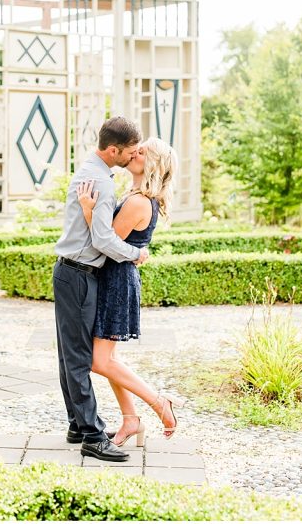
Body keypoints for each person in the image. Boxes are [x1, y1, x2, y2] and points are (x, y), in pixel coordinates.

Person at [76, 136, 185, 446]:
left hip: (117, 282)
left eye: (142, 152)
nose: (135, 153)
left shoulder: (138, 201)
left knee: (100, 360)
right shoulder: (137, 195)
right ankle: (131, 419)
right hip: (117, 278)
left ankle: (158, 403)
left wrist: (87, 209)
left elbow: (104, 240)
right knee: (109, 357)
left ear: (150, 163)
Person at [53, 116, 149, 463]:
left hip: (71, 272)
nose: (133, 157)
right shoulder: (102, 183)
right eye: (130, 152)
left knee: (70, 354)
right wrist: (136, 253)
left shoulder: (92, 172)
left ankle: (78, 425)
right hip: (78, 274)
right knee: (78, 357)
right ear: (113, 150)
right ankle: (92, 435)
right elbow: (104, 238)